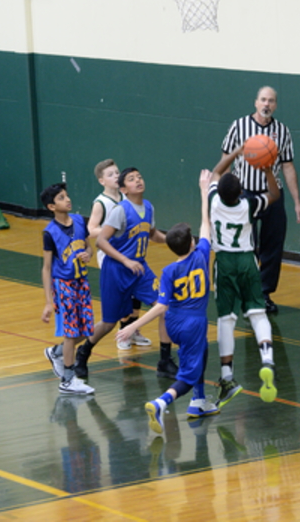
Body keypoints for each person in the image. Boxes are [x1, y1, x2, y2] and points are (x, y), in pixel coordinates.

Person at [116, 170, 219, 434]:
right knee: (187, 375)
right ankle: (161, 403)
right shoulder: (201, 255)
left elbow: (161, 307)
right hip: (194, 322)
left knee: (200, 353)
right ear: (193, 242)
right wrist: (204, 191)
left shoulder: (169, 271)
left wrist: (133, 325)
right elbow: (206, 222)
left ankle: (199, 401)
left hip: (174, 323)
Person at [74, 167, 178, 382]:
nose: (138, 180)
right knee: (109, 323)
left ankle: (165, 361)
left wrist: (175, 241)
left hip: (139, 270)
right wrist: (125, 260)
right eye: (131, 179)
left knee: (165, 306)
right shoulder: (120, 210)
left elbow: (152, 234)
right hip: (116, 270)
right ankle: (83, 353)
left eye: (139, 177)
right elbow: (101, 241)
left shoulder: (148, 207)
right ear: (123, 189)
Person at [221, 86, 300, 314]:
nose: (267, 104)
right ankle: (247, 295)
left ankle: (264, 294)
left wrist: (297, 201)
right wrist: (224, 193)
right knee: (246, 247)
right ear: (256, 102)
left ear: (275, 105)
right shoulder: (239, 126)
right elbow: (226, 159)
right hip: (244, 194)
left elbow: (288, 166)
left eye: (271, 101)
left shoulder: (282, 131)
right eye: (263, 100)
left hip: (272, 195)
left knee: (273, 246)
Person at [209, 148, 280, 406]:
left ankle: (227, 375)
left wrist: (236, 152)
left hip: (225, 262)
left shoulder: (213, 200)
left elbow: (216, 172)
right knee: (258, 314)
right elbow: (274, 195)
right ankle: (267, 360)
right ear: (241, 192)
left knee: (226, 319)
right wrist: (269, 171)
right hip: (247, 261)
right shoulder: (249, 204)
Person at [88, 158, 151, 351]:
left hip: (131, 253)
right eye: (110, 174)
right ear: (102, 181)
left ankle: (132, 329)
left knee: (135, 295)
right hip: (110, 255)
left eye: (117, 172)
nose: (115, 176)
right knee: (124, 297)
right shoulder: (101, 203)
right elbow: (91, 229)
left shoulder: (128, 198)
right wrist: (114, 229)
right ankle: (123, 333)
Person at [40, 182, 95, 396]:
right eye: (61, 198)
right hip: (64, 285)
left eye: (67, 195)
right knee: (71, 333)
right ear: (51, 207)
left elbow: (88, 246)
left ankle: (56, 352)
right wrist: (48, 301)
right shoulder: (50, 233)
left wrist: (88, 253)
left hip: (82, 282)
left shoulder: (80, 221)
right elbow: (46, 268)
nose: (68, 199)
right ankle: (68, 380)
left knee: (86, 330)